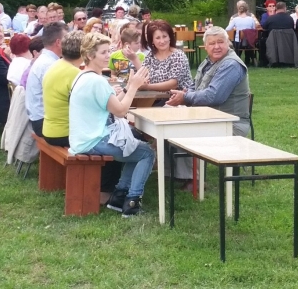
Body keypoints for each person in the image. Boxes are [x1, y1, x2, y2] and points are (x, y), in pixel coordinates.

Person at [69, 32, 154, 217]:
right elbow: (121, 111)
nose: (108, 55)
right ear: (90, 55)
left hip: (82, 139)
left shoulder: (82, 76)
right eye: (103, 52)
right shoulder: (97, 81)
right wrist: (134, 87)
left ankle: (118, 197)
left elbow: (112, 106)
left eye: (109, 51)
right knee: (147, 153)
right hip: (94, 141)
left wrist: (127, 87)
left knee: (137, 150)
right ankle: (132, 202)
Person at [167, 26, 252, 188]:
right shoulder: (209, 61)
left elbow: (213, 96)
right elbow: (195, 85)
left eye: (221, 42)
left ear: (228, 43)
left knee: (180, 130)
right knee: (168, 124)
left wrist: (185, 98)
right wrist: (186, 93)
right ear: (205, 46)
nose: (216, 47)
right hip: (210, 119)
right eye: (212, 43)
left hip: (230, 124)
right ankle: (172, 173)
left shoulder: (231, 65)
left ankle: (194, 180)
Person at [41, 31, 84, 147]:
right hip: (65, 133)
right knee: (117, 141)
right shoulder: (75, 73)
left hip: (50, 130)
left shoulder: (56, 65)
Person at [25, 22, 66, 135]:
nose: (69, 43)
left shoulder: (46, 59)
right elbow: (63, 97)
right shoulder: (49, 65)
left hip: (41, 119)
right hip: (44, 123)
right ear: (58, 42)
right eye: (67, 39)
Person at [141, 20, 194, 93]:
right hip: (154, 97)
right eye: (158, 38)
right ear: (152, 41)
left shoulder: (178, 56)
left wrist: (147, 87)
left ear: (170, 37)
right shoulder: (150, 56)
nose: (162, 41)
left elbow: (173, 84)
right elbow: (142, 75)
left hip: (177, 97)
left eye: (164, 36)